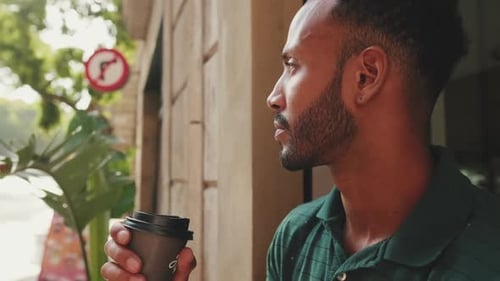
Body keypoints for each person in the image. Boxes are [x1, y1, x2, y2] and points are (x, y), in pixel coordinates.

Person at [101, 0, 500, 280]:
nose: (273, 96)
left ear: (366, 76)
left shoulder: (486, 257)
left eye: (292, 65)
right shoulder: (297, 234)